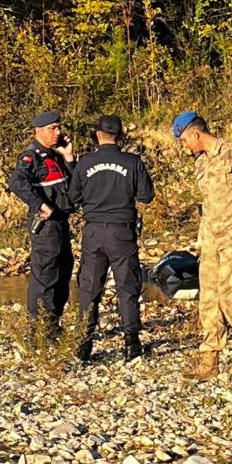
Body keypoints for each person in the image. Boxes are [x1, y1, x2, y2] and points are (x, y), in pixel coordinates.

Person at [172, 111, 232, 380]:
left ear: (195, 133)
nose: (184, 146)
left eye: (183, 140)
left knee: (231, 297)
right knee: (209, 300)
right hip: (212, 239)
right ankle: (209, 359)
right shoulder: (201, 164)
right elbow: (208, 203)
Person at [68, 114, 155, 364]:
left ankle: (84, 345)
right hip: (122, 231)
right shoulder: (132, 162)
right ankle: (131, 345)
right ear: (120, 136)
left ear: (98, 135)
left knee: (89, 288)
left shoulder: (85, 163)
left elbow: (73, 197)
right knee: (127, 288)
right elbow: (146, 196)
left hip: (94, 231)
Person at [8, 110, 75, 337]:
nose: (57, 132)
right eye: (52, 128)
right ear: (38, 131)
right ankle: (39, 328)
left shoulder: (55, 155)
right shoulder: (31, 156)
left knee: (64, 270)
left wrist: (68, 157)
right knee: (45, 274)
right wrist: (40, 205)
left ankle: (53, 322)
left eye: (58, 127)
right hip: (46, 225)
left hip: (61, 222)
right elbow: (16, 181)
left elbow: (75, 186)